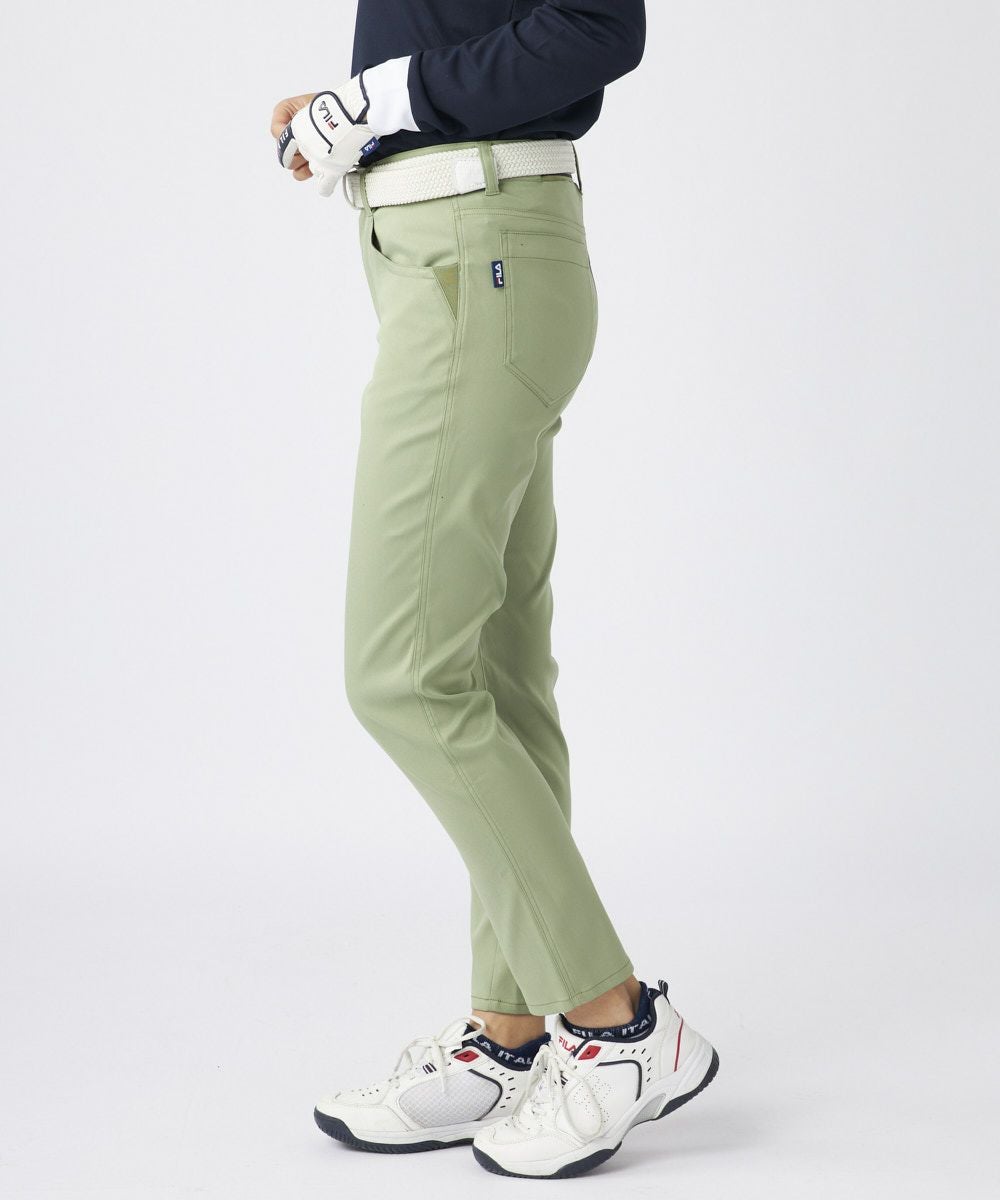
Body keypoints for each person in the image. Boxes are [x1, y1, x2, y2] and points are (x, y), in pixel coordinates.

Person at [270, 0, 718, 1180]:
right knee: (494, 677)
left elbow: (594, 26)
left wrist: (389, 96)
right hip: (451, 251)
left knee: (402, 676)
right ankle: (511, 1034)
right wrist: (356, 117)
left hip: (483, 253)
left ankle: (618, 1026)